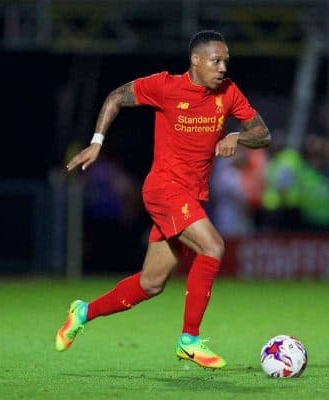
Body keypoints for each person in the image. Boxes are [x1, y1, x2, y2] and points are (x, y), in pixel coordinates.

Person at [55, 30, 271, 369]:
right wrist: (97, 141)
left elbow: (263, 133)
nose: (223, 67)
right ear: (196, 61)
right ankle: (189, 340)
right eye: (216, 60)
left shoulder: (228, 92)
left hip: (192, 195)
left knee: (150, 284)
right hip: (164, 188)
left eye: (226, 60)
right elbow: (115, 97)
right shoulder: (165, 87)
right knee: (213, 247)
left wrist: (237, 136)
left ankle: (82, 313)